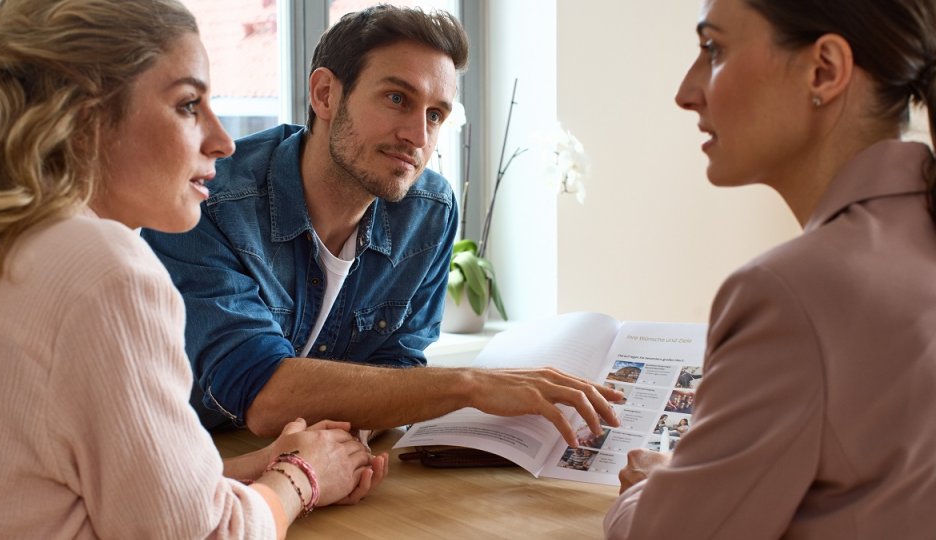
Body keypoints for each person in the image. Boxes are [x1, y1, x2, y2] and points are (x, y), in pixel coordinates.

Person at [0, 1, 386, 537]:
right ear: (85, 116)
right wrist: (305, 475)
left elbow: (99, 494)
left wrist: (254, 468)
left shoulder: (5, 243)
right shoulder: (105, 271)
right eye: (189, 104)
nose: (223, 140)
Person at [142, 4, 620, 446]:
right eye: (397, 98)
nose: (418, 135)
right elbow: (260, 392)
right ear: (325, 94)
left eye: (436, 114)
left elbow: (398, 361)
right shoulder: (208, 200)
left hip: (316, 467)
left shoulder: (428, 211)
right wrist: (471, 385)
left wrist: (353, 433)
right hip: (185, 468)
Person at [605, 0, 936, 538]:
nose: (686, 92)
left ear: (824, 70)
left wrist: (650, 489)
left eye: (714, 49)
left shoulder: (791, 292)